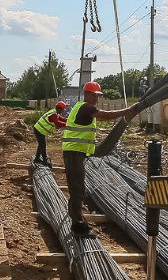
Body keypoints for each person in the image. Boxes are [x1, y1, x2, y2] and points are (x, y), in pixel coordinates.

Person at [62, 81, 138, 234]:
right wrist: (127, 110)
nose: (96, 98)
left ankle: (77, 220)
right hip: (73, 154)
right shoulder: (86, 108)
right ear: (86, 95)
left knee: (78, 188)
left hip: (76, 153)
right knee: (77, 189)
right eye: (94, 95)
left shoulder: (82, 107)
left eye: (98, 96)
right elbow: (104, 115)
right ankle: (77, 224)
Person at [32, 101, 68, 166]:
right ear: (59, 109)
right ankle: (45, 161)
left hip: (39, 130)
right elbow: (57, 123)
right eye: (62, 110)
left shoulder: (55, 112)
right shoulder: (53, 114)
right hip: (39, 130)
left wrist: (69, 120)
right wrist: (67, 124)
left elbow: (61, 119)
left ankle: (37, 158)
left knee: (41, 145)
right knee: (43, 145)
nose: (63, 111)